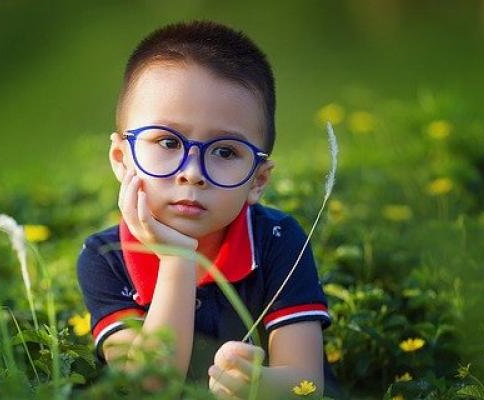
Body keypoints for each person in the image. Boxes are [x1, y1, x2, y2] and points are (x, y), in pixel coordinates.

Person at [76, 20, 334, 399]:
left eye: (225, 151)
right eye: (167, 142)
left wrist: (259, 385)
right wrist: (177, 258)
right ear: (121, 158)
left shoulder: (278, 241)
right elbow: (148, 387)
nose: (192, 174)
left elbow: (306, 385)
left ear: (258, 181)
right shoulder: (106, 257)